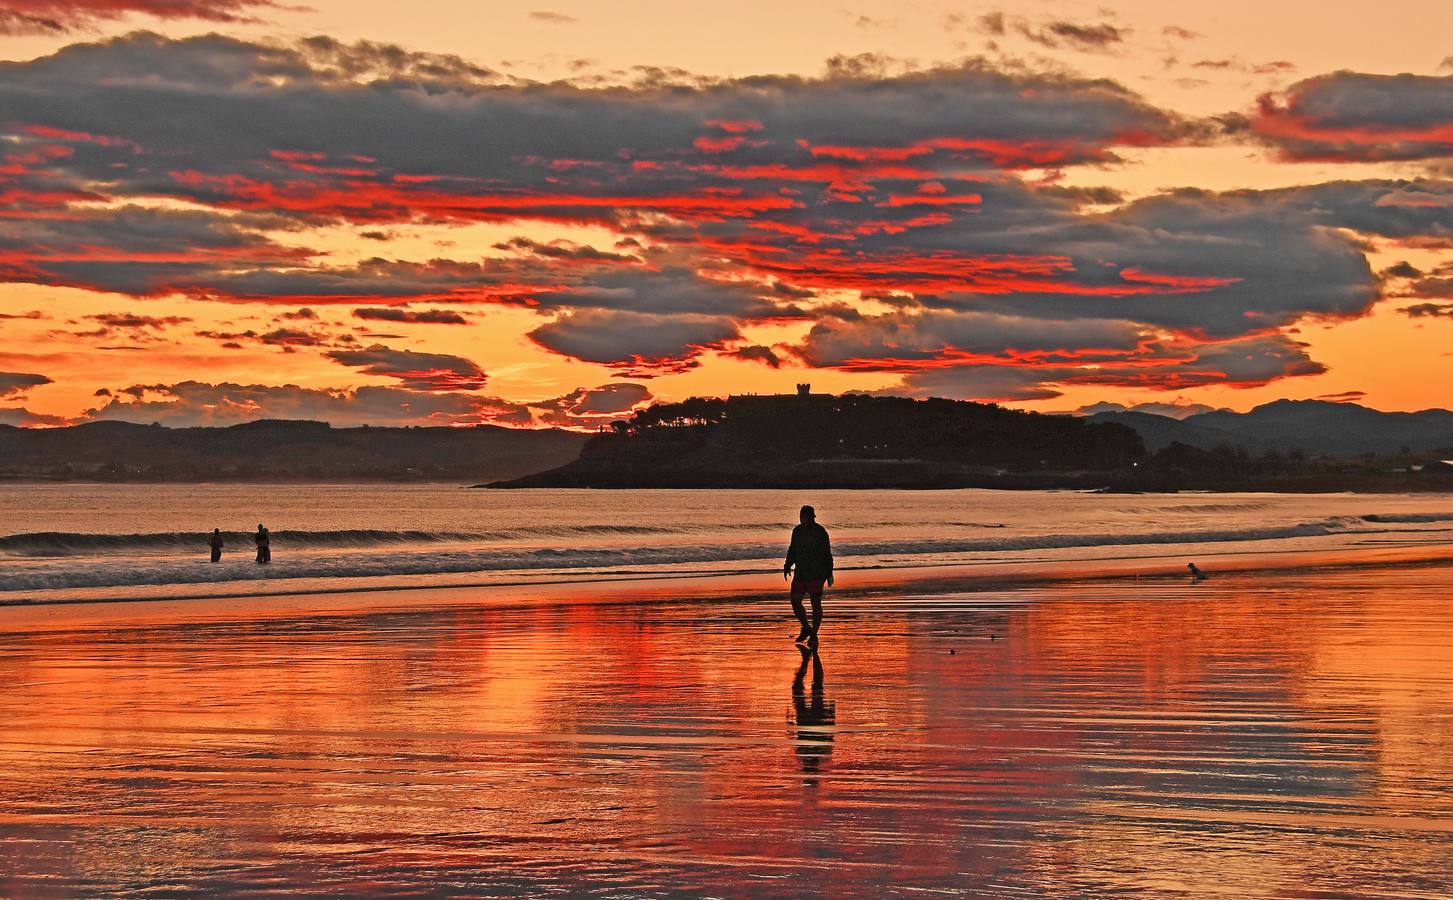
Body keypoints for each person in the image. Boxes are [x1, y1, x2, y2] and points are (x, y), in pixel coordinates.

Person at [784, 504, 833, 645]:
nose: (802, 519)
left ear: (811, 517)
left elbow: (827, 554)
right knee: (795, 601)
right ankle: (806, 627)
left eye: (805, 517)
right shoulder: (797, 531)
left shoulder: (820, 532)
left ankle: (814, 634)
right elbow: (792, 549)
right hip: (800, 573)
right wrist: (787, 564)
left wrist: (829, 573)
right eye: (801, 517)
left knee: (815, 604)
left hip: (817, 574)